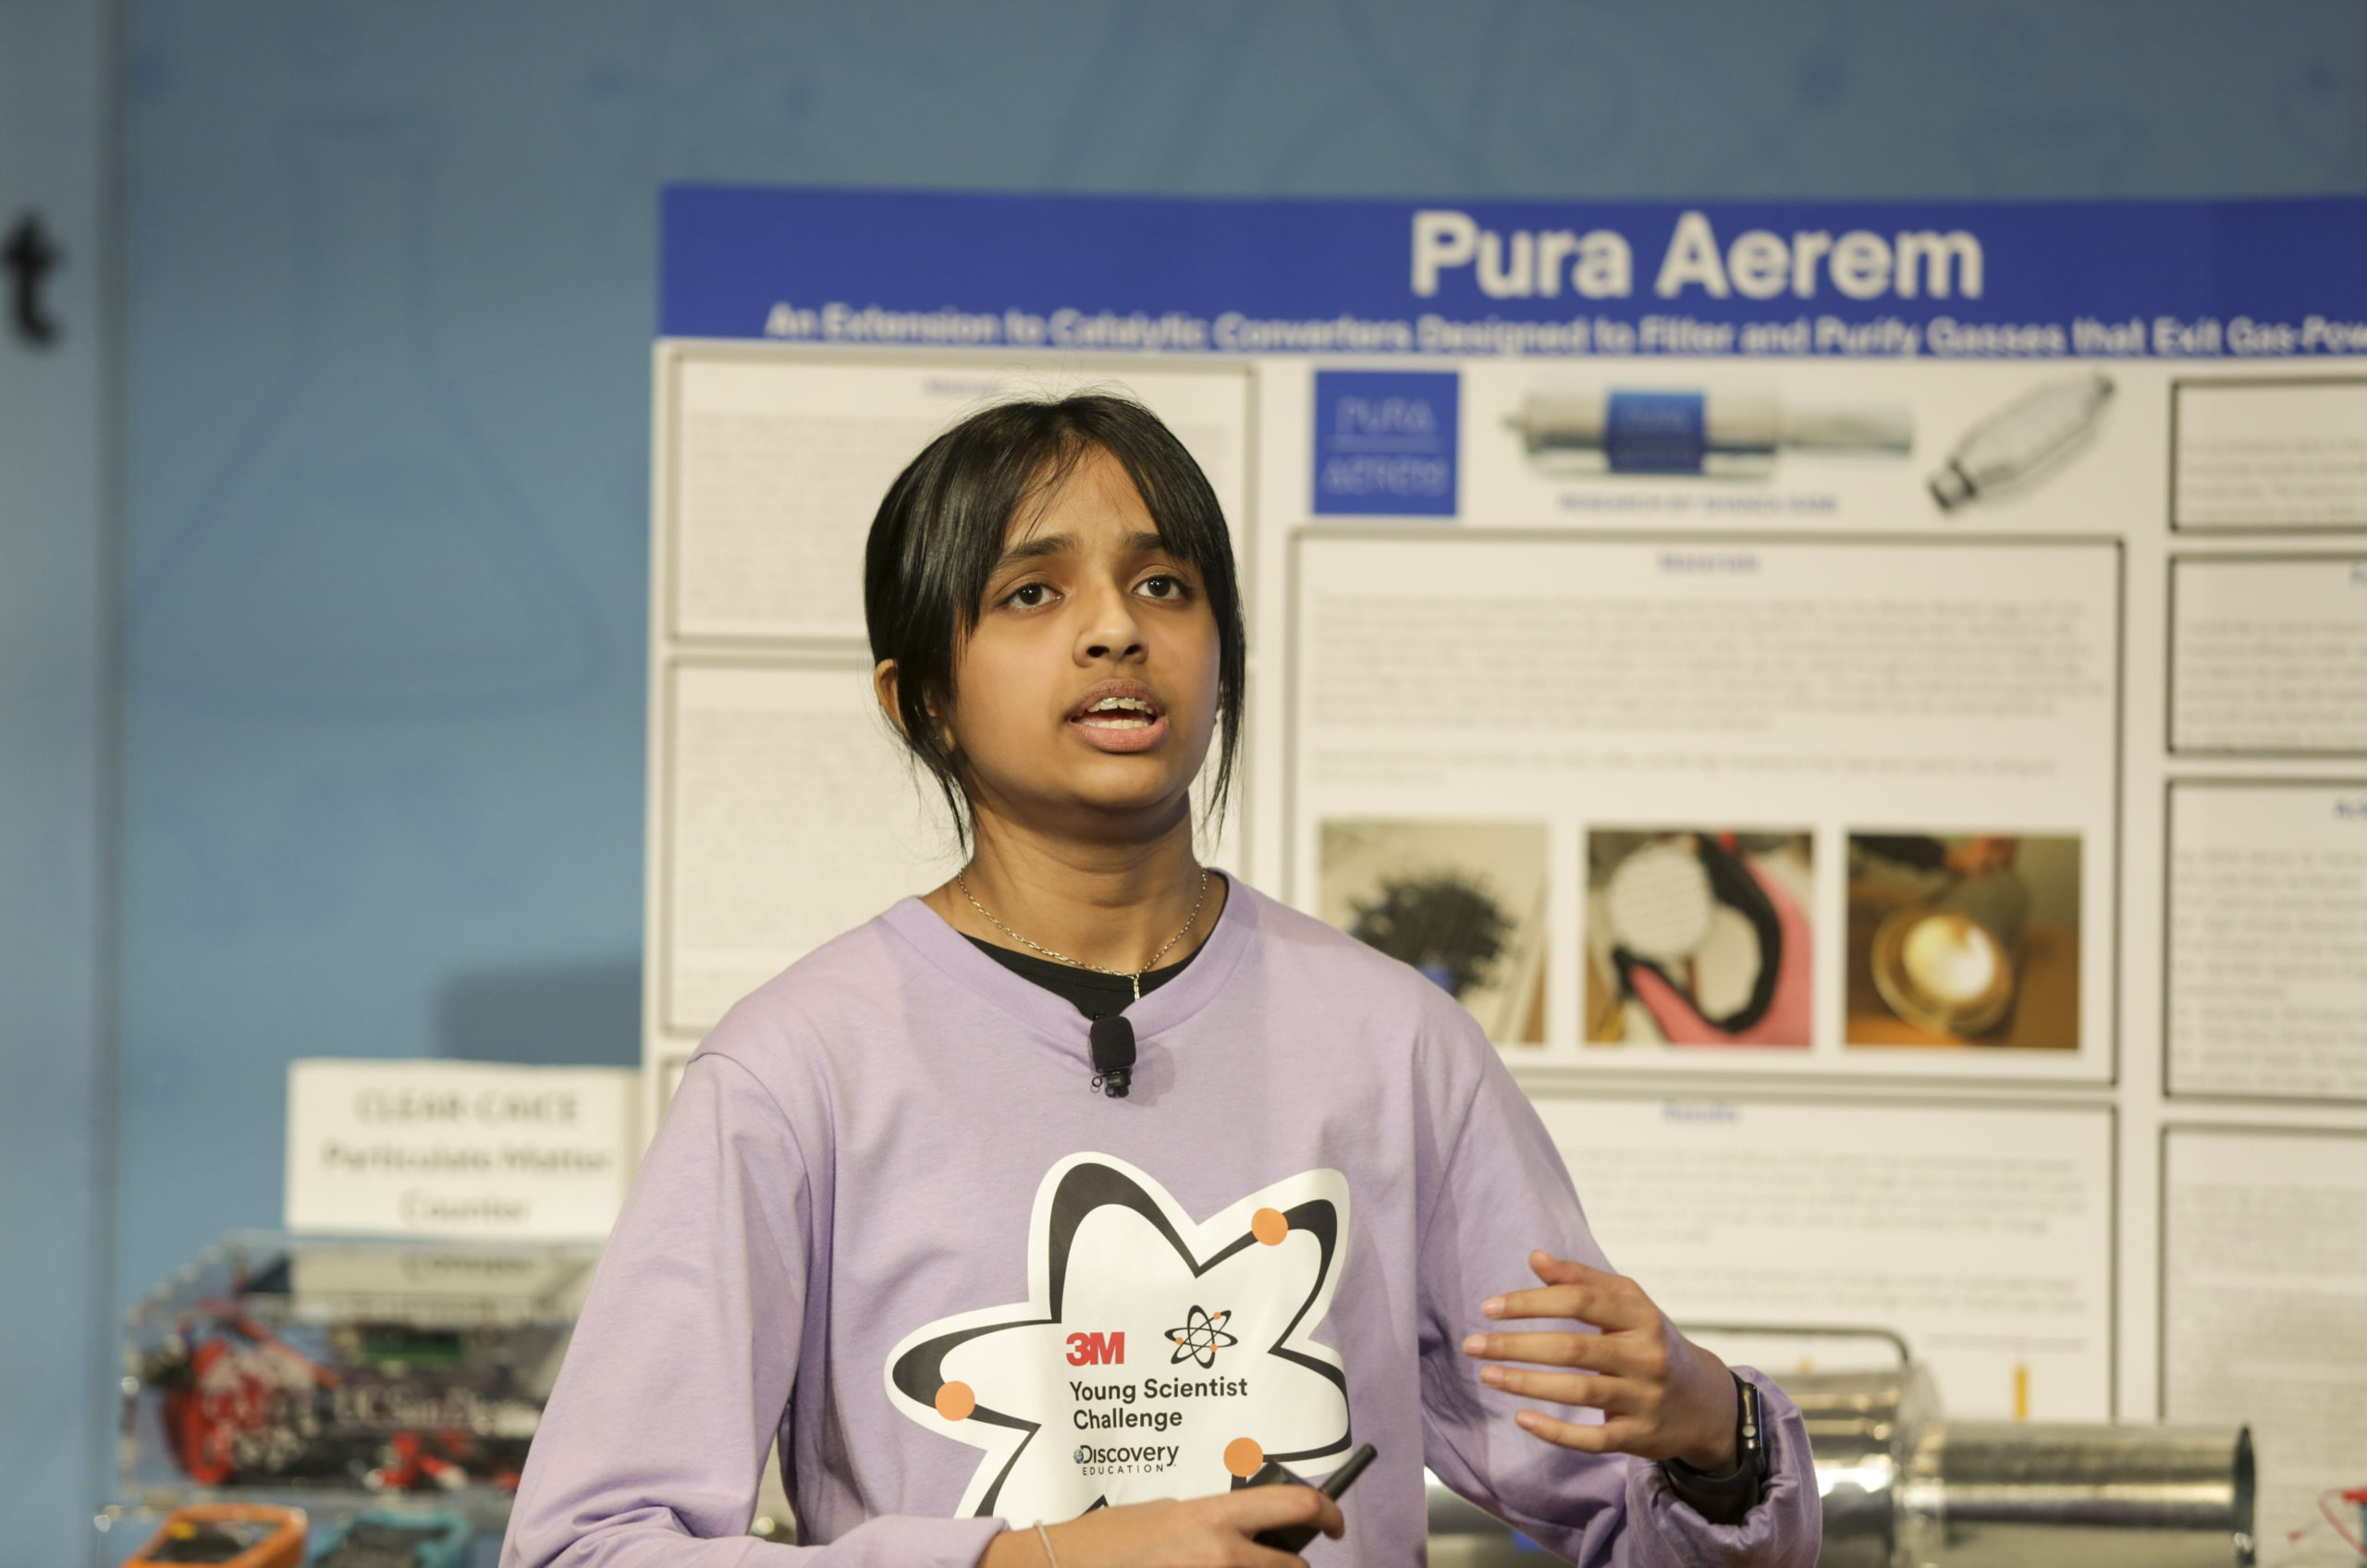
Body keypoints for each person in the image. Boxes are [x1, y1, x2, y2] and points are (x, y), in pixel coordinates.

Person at [501, 395, 1820, 1568]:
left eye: (1165, 585)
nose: (1116, 630)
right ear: (921, 702)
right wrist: (1024, 1562)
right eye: (1033, 593)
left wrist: (1719, 1436)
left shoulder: (1399, 1043)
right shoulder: (796, 1068)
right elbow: (587, 1545)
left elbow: (1638, 1520)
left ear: (1224, 658)